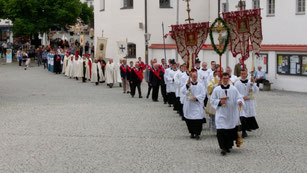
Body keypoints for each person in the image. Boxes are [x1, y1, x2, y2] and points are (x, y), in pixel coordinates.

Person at [211, 73, 244, 156]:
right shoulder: (217, 89)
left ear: (228, 79)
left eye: (227, 78)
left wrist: (239, 102)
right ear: (221, 79)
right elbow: (212, 100)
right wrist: (219, 102)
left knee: (229, 130)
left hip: (230, 113)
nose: (225, 80)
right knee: (221, 130)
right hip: (221, 113)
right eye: (224, 78)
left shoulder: (233, 89)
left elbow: (239, 97)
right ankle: (223, 147)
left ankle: (228, 146)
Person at [181, 71, 206, 140]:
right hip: (189, 105)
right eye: (193, 77)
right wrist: (187, 85)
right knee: (190, 120)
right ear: (191, 77)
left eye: (196, 77)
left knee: (198, 120)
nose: (194, 78)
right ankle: (192, 132)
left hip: (197, 104)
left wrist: (197, 98)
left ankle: (197, 133)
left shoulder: (200, 85)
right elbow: (183, 91)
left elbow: (203, 94)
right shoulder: (188, 84)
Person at [235, 69, 259, 138]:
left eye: (244, 73)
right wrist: (242, 97)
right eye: (242, 73)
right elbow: (236, 93)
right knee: (242, 116)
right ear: (240, 74)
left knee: (248, 116)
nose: (243, 75)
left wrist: (253, 83)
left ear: (246, 74)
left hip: (249, 101)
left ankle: (247, 128)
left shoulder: (250, 82)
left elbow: (256, 91)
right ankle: (243, 131)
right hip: (241, 101)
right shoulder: (237, 83)